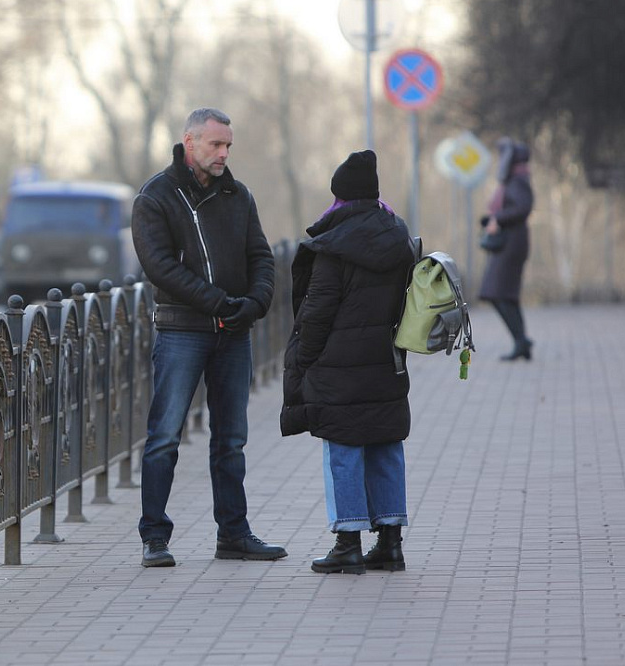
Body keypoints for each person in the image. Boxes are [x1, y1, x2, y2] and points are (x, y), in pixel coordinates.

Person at [131, 107, 285, 567]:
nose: (223, 154)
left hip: (234, 334)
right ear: (190, 141)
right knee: (164, 437)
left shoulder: (238, 195)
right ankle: (154, 538)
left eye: (228, 146)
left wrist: (254, 303)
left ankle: (233, 535)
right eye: (216, 144)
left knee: (231, 440)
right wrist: (219, 302)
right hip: (182, 331)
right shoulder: (155, 197)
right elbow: (161, 268)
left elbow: (261, 256)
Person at [280, 150, 414, 575]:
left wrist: (301, 360)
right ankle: (390, 543)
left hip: (337, 367)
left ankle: (348, 543)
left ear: (339, 197)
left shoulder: (333, 246)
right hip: (386, 360)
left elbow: (316, 312)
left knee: (343, 450)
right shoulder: (397, 236)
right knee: (385, 445)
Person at [479, 138, 534, 361]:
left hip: (512, 244)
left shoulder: (518, 180)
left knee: (497, 293)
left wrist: (498, 218)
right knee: (506, 295)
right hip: (511, 242)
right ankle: (521, 341)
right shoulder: (516, 178)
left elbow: (523, 207)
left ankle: (521, 340)